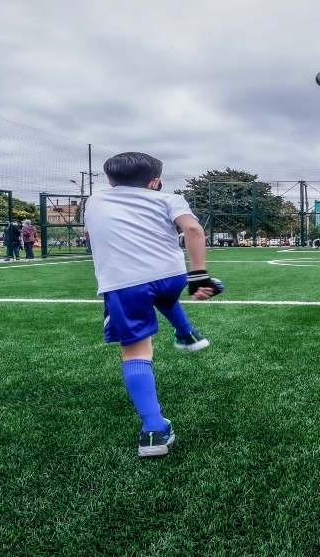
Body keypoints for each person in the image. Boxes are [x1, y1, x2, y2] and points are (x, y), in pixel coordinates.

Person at [84, 152, 224, 458]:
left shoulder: (93, 201)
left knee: (135, 351)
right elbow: (194, 230)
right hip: (172, 277)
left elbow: (93, 234)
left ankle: (154, 429)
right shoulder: (170, 199)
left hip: (125, 283)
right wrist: (199, 276)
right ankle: (186, 333)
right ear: (155, 182)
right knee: (161, 294)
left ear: (110, 180)